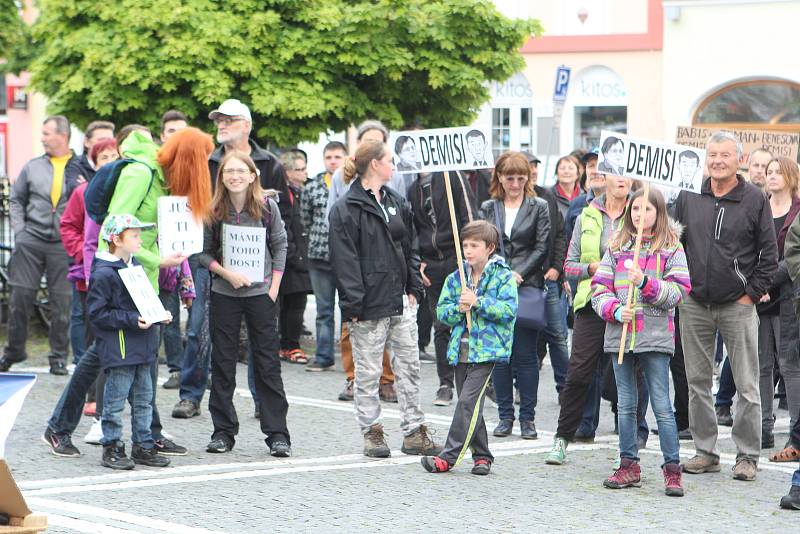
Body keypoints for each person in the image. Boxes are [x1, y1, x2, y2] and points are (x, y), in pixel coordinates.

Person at [43, 125, 205, 458]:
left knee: (138, 355)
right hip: (122, 277)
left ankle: (147, 436)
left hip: (142, 278)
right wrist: (153, 259)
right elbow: (115, 226)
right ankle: (63, 427)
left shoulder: (160, 178)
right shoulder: (140, 173)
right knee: (105, 356)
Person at [673, 131, 778, 481]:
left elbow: (768, 251)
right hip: (694, 302)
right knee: (697, 381)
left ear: (740, 159)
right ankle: (705, 451)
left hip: (737, 304)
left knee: (747, 384)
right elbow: (674, 241)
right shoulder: (689, 194)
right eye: (712, 154)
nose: (718, 160)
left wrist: (752, 291)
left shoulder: (754, 199)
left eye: (725, 155)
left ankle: (747, 455)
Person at [328, 140, 440, 458]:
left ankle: (414, 430)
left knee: (410, 366)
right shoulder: (346, 208)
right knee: (368, 372)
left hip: (401, 300)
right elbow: (344, 261)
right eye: (390, 160)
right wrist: (354, 305)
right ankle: (372, 432)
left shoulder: (396, 201)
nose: (394, 166)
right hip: (368, 305)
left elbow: (410, 246)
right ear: (375, 164)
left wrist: (414, 288)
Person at [591, 188, 691, 496]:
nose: (639, 214)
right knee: (626, 403)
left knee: (661, 405)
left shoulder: (671, 248)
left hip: (656, 337)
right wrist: (616, 309)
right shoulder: (618, 247)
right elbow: (599, 289)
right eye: (635, 209)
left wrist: (645, 284)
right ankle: (628, 464)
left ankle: (672, 469)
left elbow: (679, 291)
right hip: (621, 335)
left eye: (646, 209)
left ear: (658, 213)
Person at [199, 151, 291, 457]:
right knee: (222, 364)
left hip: (261, 295)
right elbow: (202, 254)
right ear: (221, 177)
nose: (234, 176)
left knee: (268, 364)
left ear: (253, 176)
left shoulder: (267, 207)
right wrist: (225, 273)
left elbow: (280, 245)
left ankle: (278, 433)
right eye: (228, 171)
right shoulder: (214, 210)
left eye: (241, 171)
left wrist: (273, 289)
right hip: (225, 294)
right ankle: (223, 432)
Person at [545, 173, 635, 465]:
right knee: (579, 373)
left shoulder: (640, 212)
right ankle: (562, 438)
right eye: (616, 175)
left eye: (627, 175)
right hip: (592, 301)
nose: (623, 180)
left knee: (629, 374)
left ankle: (633, 440)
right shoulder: (587, 215)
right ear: (603, 179)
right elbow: (569, 265)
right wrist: (591, 268)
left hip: (628, 303)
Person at [420, 220, 517, 475]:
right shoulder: (457, 277)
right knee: (472, 406)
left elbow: (509, 310)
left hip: (487, 352)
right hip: (461, 349)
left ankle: (448, 457)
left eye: (475, 245)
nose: (469, 250)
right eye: (465, 245)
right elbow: (442, 313)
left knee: (466, 403)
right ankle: (483, 455)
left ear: (490, 248)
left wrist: (478, 302)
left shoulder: (503, 275)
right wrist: (458, 309)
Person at [89, 214, 172, 470]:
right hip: (122, 347)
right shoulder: (104, 273)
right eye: (134, 235)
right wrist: (132, 319)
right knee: (115, 402)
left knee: (144, 399)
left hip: (143, 345)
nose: (140, 239)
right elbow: (97, 313)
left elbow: (143, 301)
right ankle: (112, 446)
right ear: (116, 239)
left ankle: (143, 445)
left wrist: (159, 314)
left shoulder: (134, 266)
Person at [1, 116, 82, 375]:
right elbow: (16, 199)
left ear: (63, 136)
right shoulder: (33, 166)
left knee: (62, 302)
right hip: (31, 240)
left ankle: (58, 357)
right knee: (20, 297)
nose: (42, 138)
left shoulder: (79, 167)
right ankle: (13, 352)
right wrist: (21, 231)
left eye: (47, 133)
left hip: (63, 244)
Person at [326, 120, 398, 402]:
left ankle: (386, 378)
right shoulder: (342, 178)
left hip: (383, 262)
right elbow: (333, 214)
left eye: (377, 140)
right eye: (367, 139)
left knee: (385, 324)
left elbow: (399, 211)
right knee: (351, 320)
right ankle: (353, 377)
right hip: (353, 255)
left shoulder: (392, 173)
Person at [479, 151, 550, 439]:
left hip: (527, 284)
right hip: (496, 286)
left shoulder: (539, 206)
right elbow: (483, 242)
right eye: (510, 178)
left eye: (521, 178)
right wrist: (500, 273)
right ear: (499, 177)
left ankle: (527, 419)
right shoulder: (488, 206)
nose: (516, 183)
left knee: (525, 356)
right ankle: (505, 416)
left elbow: (542, 245)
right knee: (500, 356)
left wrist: (518, 272)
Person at [408, 169, 472, 406]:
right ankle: (445, 384)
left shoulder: (451, 176)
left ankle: (480, 381)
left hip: (457, 257)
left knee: (470, 318)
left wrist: (469, 256)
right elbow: (412, 228)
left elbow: (467, 215)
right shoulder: (413, 187)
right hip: (432, 262)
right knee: (441, 323)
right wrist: (418, 261)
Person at [762, 157, 800, 454]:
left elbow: (793, 258)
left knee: (789, 365)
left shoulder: (797, 211)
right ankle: (763, 429)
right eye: (769, 172)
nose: (772, 176)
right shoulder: (759, 207)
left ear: (791, 176)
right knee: (761, 367)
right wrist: (755, 286)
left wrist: (766, 282)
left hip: (787, 296)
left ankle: (795, 435)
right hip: (758, 298)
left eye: (778, 172)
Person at [525, 152, 569, 395]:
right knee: (525, 340)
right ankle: (521, 387)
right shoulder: (510, 201)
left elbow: (559, 234)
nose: (532, 172)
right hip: (522, 280)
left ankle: (565, 389)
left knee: (557, 337)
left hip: (548, 278)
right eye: (528, 167)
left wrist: (557, 268)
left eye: (534, 168)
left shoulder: (547, 196)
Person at [303, 141, 347, 372]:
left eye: (337, 157)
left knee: (349, 310)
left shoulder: (353, 184)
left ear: (346, 158)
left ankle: (351, 359)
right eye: (329, 157)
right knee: (324, 310)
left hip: (347, 258)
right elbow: (305, 219)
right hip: (319, 257)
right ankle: (323, 356)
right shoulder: (312, 187)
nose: (333, 161)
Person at [278, 151, 312, 363]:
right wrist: (296, 257)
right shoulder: (285, 195)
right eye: (299, 169)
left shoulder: (299, 192)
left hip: (297, 256)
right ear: (288, 173)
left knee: (294, 303)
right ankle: (290, 345)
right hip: (292, 258)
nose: (304, 172)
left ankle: (287, 344)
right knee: (293, 304)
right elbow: (285, 227)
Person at [74, 120, 115, 187]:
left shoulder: (119, 165)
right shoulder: (75, 165)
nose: (107, 144)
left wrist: (86, 185)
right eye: (102, 140)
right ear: (87, 142)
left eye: (110, 140)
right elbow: (75, 189)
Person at [550, 155, 583, 219]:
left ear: (578, 174)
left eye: (571, 168)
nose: (566, 171)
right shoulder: (548, 195)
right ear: (556, 173)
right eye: (562, 168)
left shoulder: (585, 196)